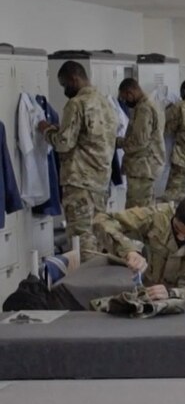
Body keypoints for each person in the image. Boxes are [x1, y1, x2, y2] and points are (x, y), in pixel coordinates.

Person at [37, 60, 117, 260]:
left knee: (81, 239)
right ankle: (99, 283)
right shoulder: (105, 102)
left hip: (79, 182)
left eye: (65, 85)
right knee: (98, 234)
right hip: (100, 182)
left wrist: (47, 130)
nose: (65, 90)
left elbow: (64, 143)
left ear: (74, 79)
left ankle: (86, 286)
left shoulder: (77, 103)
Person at [93, 194, 185, 304]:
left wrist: (173, 293)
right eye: (176, 229)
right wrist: (129, 250)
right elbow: (102, 220)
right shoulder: (159, 216)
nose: (181, 237)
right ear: (174, 215)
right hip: (150, 302)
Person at [117, 78, 165, 209]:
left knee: (137, 210)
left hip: (142, 167)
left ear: (130, 92)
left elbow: (139, 142)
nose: (125, 102)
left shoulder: (144, 109)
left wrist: (117, 142)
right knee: (147, 206)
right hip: (148, 166)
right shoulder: (152, 104)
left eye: (124, 97)